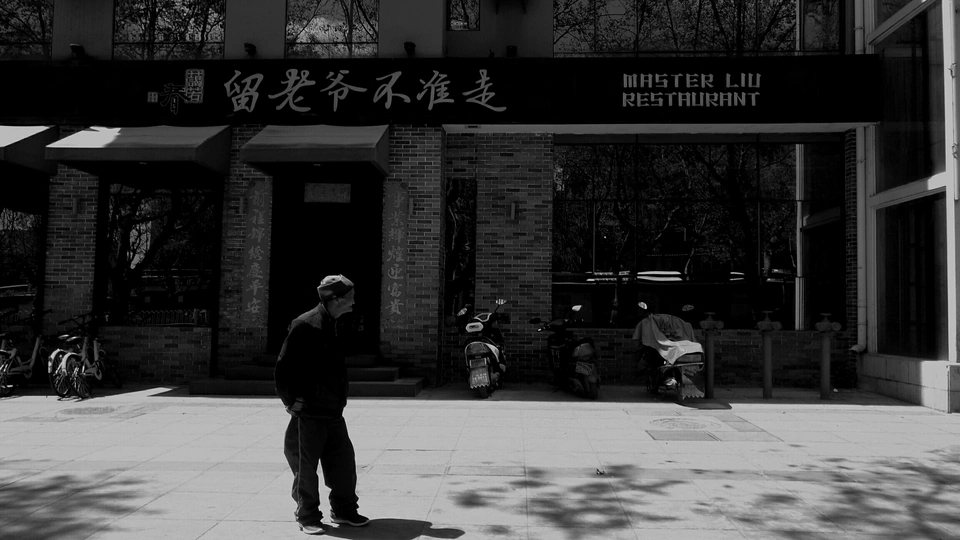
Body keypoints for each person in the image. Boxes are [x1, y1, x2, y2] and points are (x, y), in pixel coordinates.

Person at [275, 274, 369, 535]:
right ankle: (307, 514)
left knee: (343, 464)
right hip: (309, 411)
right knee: (305, 468)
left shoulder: (338, 323)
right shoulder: (305, 325)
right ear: (335, 300)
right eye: (350, 298)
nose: (354, 302)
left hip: (334, 410)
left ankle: (344, 510)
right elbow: (284, 368)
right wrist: (291, 401)